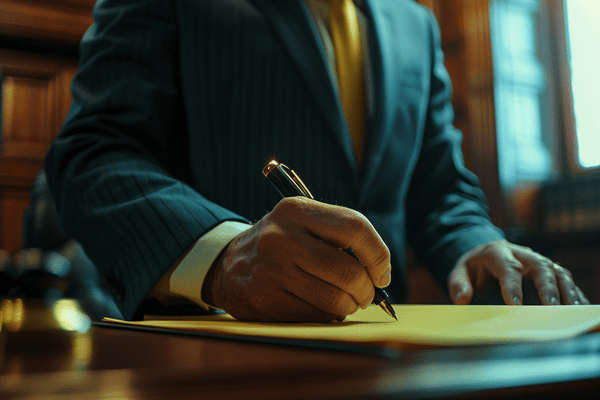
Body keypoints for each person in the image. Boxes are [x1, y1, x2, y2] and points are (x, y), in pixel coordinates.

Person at [44, 0, 588, 322]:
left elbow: (440, 188)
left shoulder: (414, 21)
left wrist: (477, 243)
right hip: (212, 365)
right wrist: (222, 255)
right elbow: (92, 153)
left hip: (391, 360)